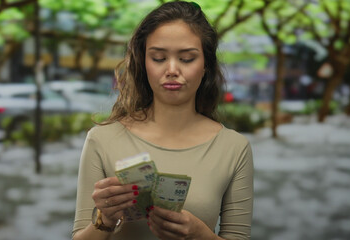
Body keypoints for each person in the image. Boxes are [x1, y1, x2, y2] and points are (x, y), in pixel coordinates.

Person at [72, 1, 253, 240]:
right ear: (143, 63)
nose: (171, 69)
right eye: (158, 58)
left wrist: (200, 234)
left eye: (187, 59)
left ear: (206, 65)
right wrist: (104, 219)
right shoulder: (102, 139)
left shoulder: (234, 148)